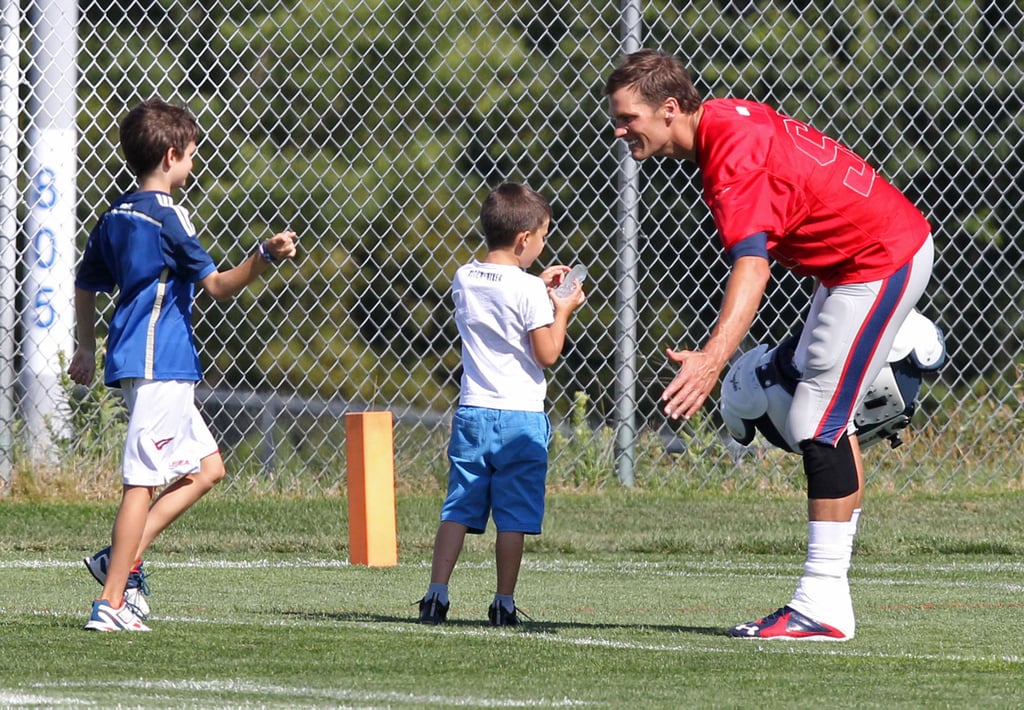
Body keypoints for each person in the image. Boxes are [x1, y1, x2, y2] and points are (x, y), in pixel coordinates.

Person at [604, 50, 934, 641]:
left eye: (629, 117)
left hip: (878, 260)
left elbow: (752, 269)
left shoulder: (729, 159)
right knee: (814, 407)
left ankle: (822, 604)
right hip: (854, 263)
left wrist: (712, 359)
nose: (620, 129)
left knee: (813, 418)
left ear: (670, 108)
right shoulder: (724, 120)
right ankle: (826, 595)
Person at [68, 98, 298, 632]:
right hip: (159, 360)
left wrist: (85, 344)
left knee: (207, 469)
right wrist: (262, 256)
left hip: (142, 358)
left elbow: (86, 283)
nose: (194, 162)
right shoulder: (166, 217)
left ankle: (118, 559)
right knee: (142, 482)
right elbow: (218, 287)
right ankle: (111, 601)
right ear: (172, 155)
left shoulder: (116, 212)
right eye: (192, 154)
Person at [417, 182, 585, 627]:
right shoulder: (530, 291)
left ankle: (436, 594)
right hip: (520, 419)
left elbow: (503, 294)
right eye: (543, 236)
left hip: (473, 412)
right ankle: (503, 601)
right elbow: (546, 353)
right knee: (512, 515)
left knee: (459, 504)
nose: (543, 245)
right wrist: (562, 309)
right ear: (524, 239)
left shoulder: (464, 277)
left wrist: (537, 282)